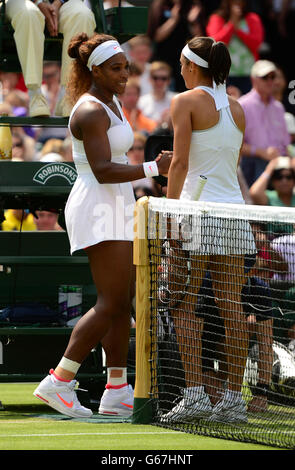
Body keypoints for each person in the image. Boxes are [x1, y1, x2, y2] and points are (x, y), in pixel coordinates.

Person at [33, 32, 171, 419]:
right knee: (110, 303)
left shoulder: (112, 102)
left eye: (126, 67)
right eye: (116, 68)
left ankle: (116, 389)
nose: (124, 74)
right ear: (95, 69)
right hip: (97, 206)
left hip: (117, 205)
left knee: (122, 299)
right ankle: (59, 381)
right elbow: (103, 169)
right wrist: (152, 168)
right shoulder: (91, 110)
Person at [163, 36, 257, 424]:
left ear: (190, 66)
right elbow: (223, 164)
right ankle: (233, 400)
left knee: (184, 305)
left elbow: (181, 163)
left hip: (197, 214)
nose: (180, 71)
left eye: (182, 65)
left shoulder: (183, 102)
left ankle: (197, 395)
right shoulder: (237, 108)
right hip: (233, 214)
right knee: (231, 305)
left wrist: (166, 214)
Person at [5, 0, 96, 117]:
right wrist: (39, 2)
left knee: (82, 15)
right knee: (29, 14)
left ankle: (69, 95)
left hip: (63, 3)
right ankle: (35, 95)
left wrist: (58, 3)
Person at [238, 60, 290, 188]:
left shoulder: (278, 107)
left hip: (279, 167)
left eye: (272, 77)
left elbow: (286, 145)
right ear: (253, 79)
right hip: (254, 167)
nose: (270, 81)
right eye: (265, 77)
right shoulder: (242, 105)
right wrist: (261, 152)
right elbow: (234, 144)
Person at [206, 0, 264, 95]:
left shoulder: (252, 18)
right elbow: (216, 43)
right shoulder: (216, 18)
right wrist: (231, 25)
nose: (238, 4)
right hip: (224, 75)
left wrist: (238, 31)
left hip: (249, 74)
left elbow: (256, 44)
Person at [147, 0, 207, 92]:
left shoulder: (192, 6)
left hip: (185, 62)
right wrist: (173, 19)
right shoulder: (160, 5)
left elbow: (201, 39)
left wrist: (192, 22)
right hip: (163, 60)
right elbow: (155, 36)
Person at [249, 156, 295, 239]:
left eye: (289, 177)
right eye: (278, 176)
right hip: (272, 247)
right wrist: (269, 169)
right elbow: (254, 193)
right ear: (272, 181)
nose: (284, 180)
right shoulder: (269, 197)